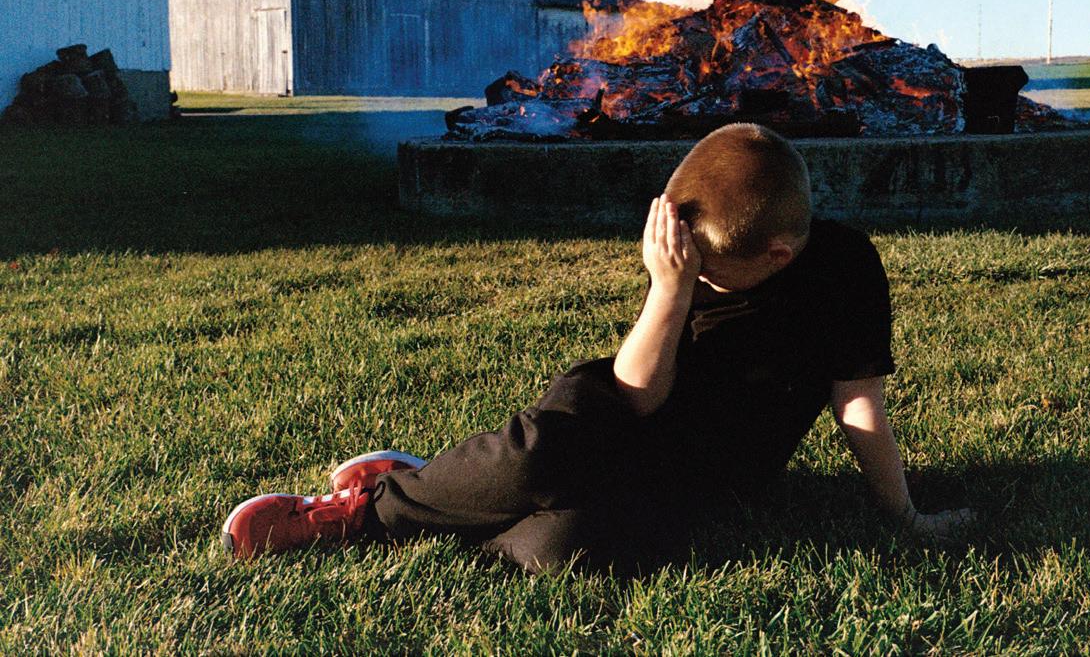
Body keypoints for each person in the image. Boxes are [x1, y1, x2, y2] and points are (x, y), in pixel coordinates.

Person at [222, 123, 974, 569]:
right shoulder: (683, 266)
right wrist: (669, 291)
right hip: (621, 401)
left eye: (706, 269)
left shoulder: (844, 266)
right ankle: (370, 510)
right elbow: (636, 394)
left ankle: (450, 498)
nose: (692, 272)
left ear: (777, 253)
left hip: (697, 470)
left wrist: (906, 516)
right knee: (538, 457)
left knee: (564, 549)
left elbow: (859, 405)